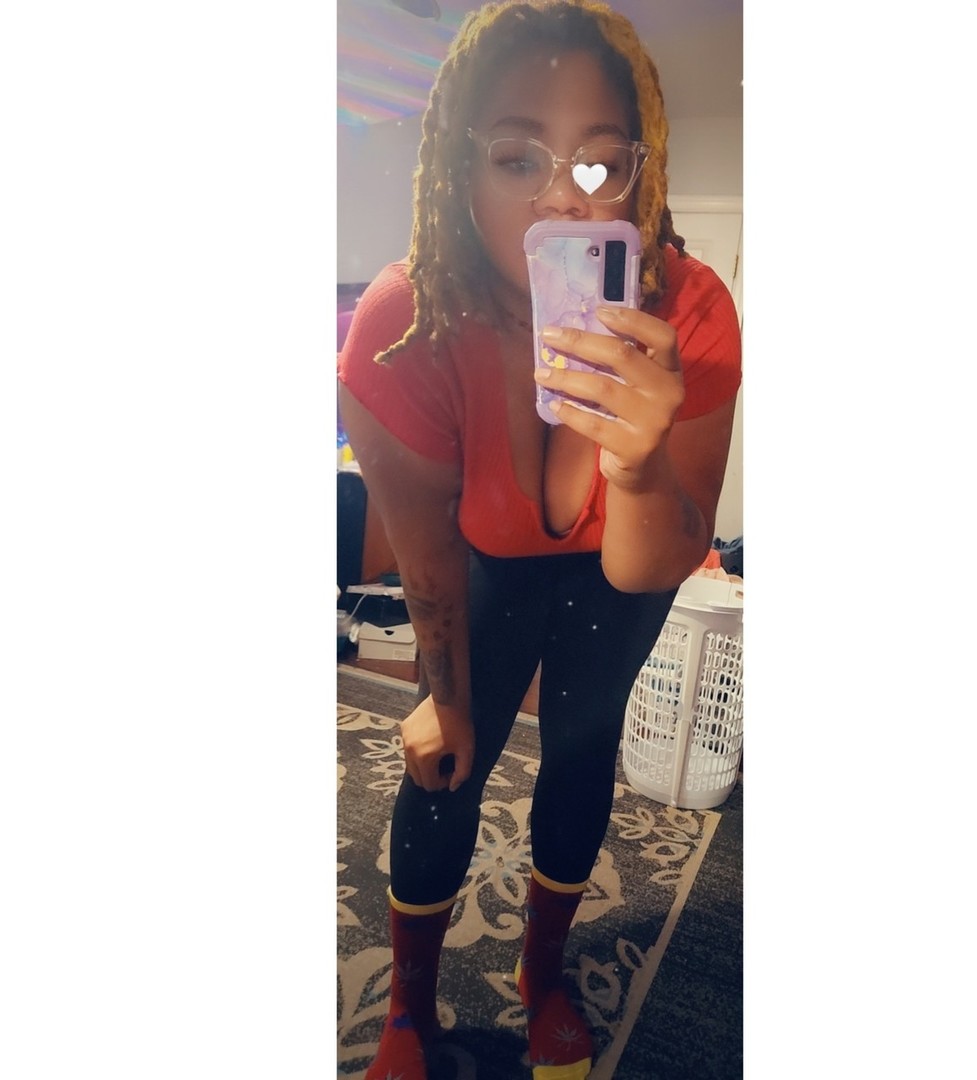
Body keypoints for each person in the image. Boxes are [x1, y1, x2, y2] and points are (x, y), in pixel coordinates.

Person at [337, 2, 741, 1076]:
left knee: (580, 757)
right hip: (484, 572)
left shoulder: (692, 310)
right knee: (445, 762)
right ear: (459, 172)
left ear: (640, 175)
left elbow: (656, 560)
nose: (564, 197)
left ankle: (543, 976)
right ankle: (407, 1012)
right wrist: (441, 692)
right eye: (517, 157)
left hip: (620, 581)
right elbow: (426, 554)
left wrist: (637, 467)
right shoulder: (405, 322)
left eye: (599, 165)